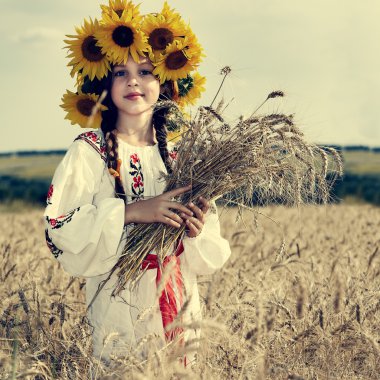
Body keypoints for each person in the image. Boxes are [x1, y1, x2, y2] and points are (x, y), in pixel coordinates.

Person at [44, 0, 231, 363]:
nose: (133, 80)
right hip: (120, 302)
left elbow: (212, 251)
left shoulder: (182, 157)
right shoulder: (89, 152)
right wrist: (130, 212)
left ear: (166, 82)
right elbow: (59, 227)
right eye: (120, 72)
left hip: (179, 299)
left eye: (146, 71)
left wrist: (196, 228)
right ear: (103, 83)